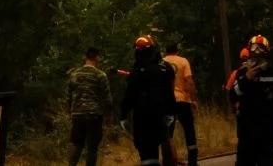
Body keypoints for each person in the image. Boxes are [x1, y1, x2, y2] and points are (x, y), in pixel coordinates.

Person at [230, 34, 273, 166]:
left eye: (260, 54)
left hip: (268, 130)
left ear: (266, 54)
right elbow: (232, 95)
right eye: (254, 55)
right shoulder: (242, 73)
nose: (256, 60)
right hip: (246, 131)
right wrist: (246, 79)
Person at [121, 35, 178, 166]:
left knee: (148, 155)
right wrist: (171, 112)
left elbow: (129, 96)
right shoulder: (164, 68)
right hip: (161, 116)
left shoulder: (136, 72)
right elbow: (169, 93)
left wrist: (123, 115)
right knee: (165, 142)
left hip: (142, 119)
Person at [67, 47, 114, 166]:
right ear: (97, 57)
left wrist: (70, 112)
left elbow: (68, 96)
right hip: (94, 115)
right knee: (92, 148)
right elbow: (107, 98)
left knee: (76, 143)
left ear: (85, 57)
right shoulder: (100, 75)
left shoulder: (74, 74)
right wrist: (109, 116)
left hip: (78, 114)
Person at [164, 44, 199, 166]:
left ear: (166, 51)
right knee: (189, 131)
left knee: (168, 134)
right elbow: (189, 82)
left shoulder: (161, 63)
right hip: (183, 100)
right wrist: (194, 100)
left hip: (168, 102)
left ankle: (169, 161)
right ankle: (193, 162)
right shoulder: (183, 61)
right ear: (177, 50)